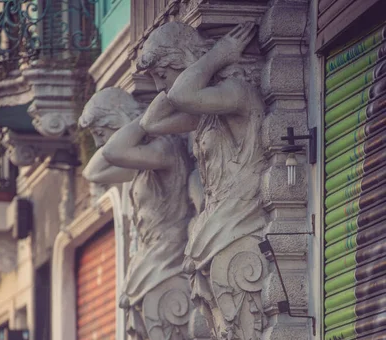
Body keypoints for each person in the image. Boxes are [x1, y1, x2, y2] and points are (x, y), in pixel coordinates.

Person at [137, 22, 266, 273]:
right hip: (218, 218)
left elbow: (180, 96)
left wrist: (217, 55)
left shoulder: (234, 93)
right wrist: (188, 71)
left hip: (240, 215)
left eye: (161, 75)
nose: (157, 87)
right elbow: (150, 123)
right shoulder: (204, 115)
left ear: (184, 61)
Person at [79, 87, 192, 309]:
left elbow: (113, 151)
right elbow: (92, 173)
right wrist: (143, 120)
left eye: (100, 133)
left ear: (117, 120)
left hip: (168, 257)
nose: (99, 144)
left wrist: (143, 120)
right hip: (153, 257)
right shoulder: (142, 166)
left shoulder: (162, 150)